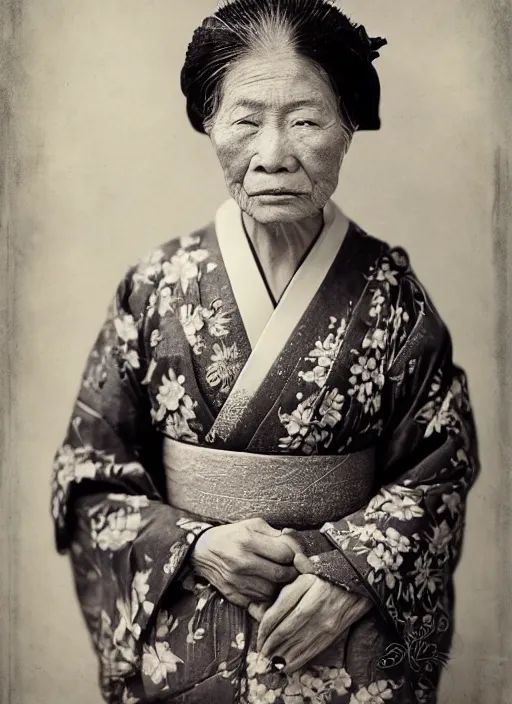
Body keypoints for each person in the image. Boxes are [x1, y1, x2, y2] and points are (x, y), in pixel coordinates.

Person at [51, 1, 480, 702]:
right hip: (189, 643)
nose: (274, 154)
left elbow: (437, 474)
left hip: (342, 646)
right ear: (208, 122)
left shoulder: (391, 298)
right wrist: (194, 544)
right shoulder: (154, 289)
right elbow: (90, 473)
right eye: (246, 119)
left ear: (348, 128)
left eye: (307, 120)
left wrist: (354, 574)